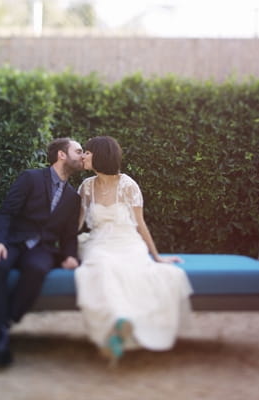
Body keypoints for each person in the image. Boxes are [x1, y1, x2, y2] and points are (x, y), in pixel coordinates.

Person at [75, 135, 193, 364]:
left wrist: (156, 256)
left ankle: (124, 325)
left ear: (100, 155)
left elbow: (140, 223)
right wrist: (61, 251)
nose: (83, 156)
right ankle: (119, 320)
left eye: (87, 152)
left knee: (136, 268)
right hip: (98, 243)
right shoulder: (86, 187)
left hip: (128, 242)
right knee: (101, 266)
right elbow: (77, 224)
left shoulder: (128, 185)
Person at [0, 137, 84, 367]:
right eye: (78, 151)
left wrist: (69, 256)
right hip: (13, 241)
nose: (82, 155)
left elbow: (69, 235)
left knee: (37, 269)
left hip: (42, 249)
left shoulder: (73, 198)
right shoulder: (31, 178)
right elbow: (6, 212)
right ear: (61, 155)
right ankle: (0, 333)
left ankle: (3, 326)